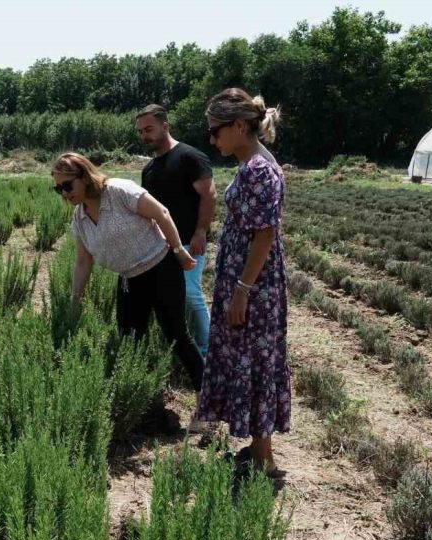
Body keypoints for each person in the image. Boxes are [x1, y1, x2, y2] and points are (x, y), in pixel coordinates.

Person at [193, 88, 291, 476]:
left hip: (255, 287)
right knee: (250, 361)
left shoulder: (258, 170)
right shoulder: (252, 164)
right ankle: (258, 449)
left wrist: (242, 292)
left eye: (216, 130)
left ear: (238, 126)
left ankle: (263, 459)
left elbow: (264, 236)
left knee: (256, 362)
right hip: (248, 283)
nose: (212, 139)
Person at [52, 152, 204, 390]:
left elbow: (161, 213)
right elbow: (83, 261)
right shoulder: (79, 218)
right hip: (129, 280)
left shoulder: (119, 191)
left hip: (161, 268)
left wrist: (178, 250)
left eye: (67, 185)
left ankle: (205, 397)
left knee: (176, 335)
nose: (64, 192)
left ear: (84, 176)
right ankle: (140, 396)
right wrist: (76, 298)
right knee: (128, 342)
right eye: (58, 189)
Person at [136, 104, 218, 357]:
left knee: (191, 294)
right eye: (140, 132)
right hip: (159, 246)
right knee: (166, 298)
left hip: (188, 241)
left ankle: (206, 350)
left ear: (165, 126)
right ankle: (178, 346)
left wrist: (201, 232)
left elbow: (210, 195)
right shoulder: (148, 169)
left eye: (148, 129)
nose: (144, 135)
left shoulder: (189, 157)